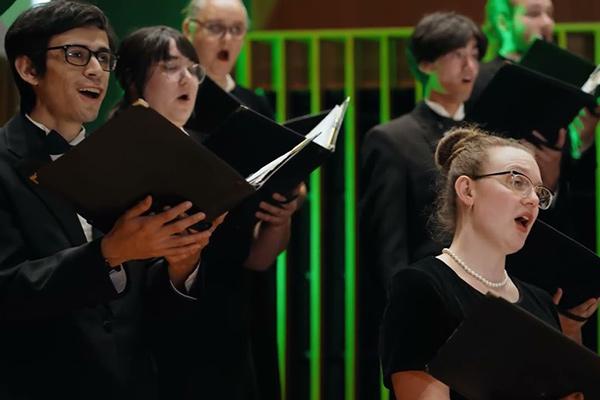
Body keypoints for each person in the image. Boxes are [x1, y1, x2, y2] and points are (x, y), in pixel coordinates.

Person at [0, 3, 215, 399]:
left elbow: (138, 305)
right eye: (76, 55)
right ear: (29, 69)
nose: (96, 70)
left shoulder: (121, 157)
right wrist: (107, 253)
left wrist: (180, 268)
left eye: (103, 57)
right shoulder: (3, 162)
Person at [380, 126, 599, 400]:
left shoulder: (541, 303)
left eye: (539, 192)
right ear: (467, 190)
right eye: (517, 181)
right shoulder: (421, 287)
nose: (532, 199)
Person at [182, 1, 304, 398]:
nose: (228, 40)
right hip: (189, 262)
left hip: (246, 264)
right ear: (189, 30)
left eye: (237, 30)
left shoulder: (256, 102)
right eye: (216, 28)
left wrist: (291, 194)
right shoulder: (178, 96)